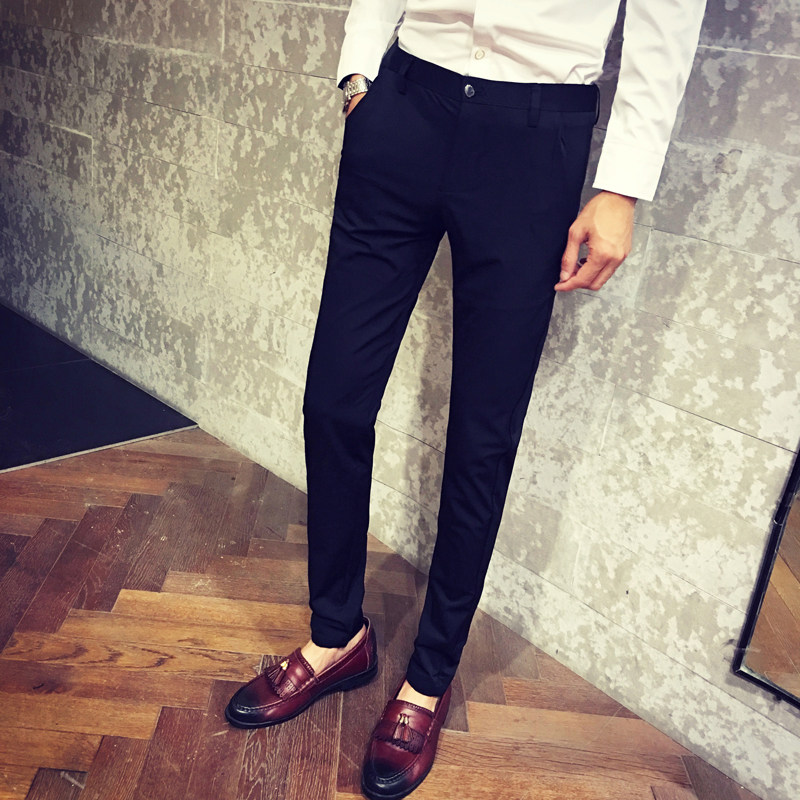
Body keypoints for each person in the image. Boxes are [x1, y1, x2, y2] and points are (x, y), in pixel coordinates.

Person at [226, 2, 707, 798]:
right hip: (404, 106)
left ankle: (429, 679)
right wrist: (359, 73)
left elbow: (670, 18)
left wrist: (622, 185)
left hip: (535, 134)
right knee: (335, 398)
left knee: (483, 432)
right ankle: (336, 635)